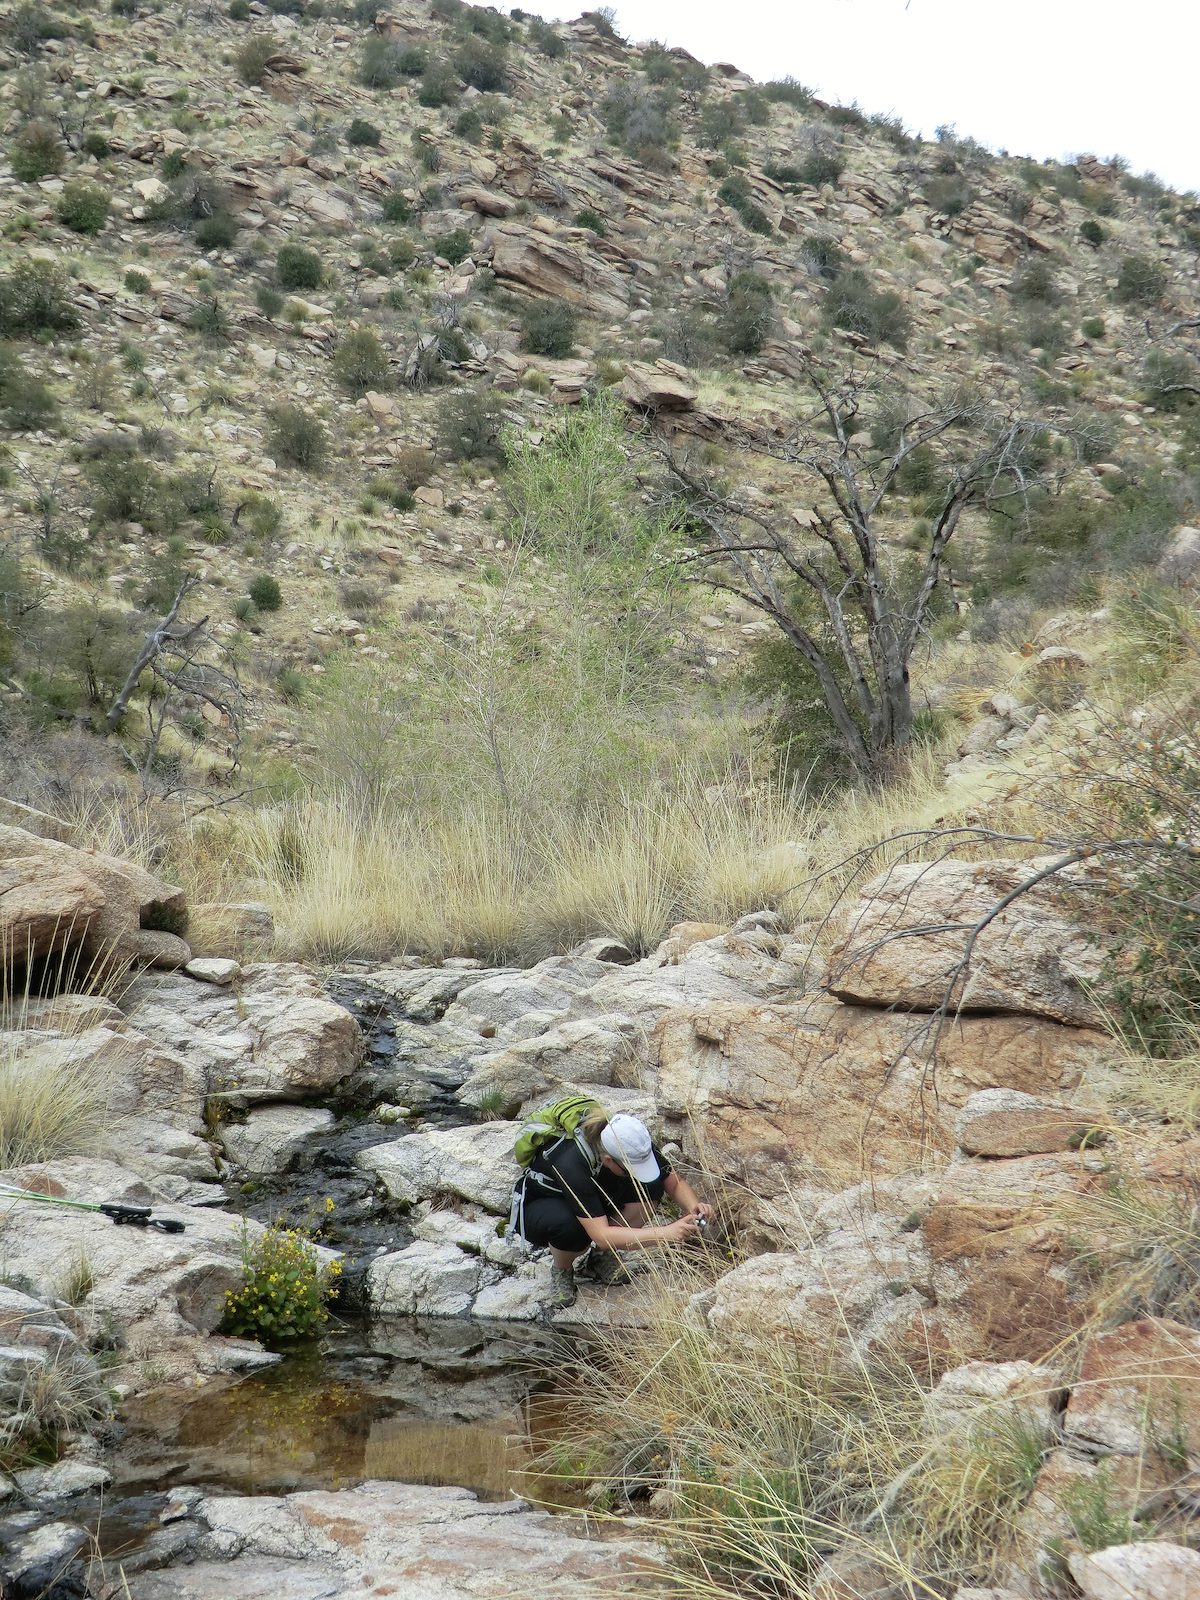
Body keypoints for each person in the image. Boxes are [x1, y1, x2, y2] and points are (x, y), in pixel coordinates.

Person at [516, 1110, 714, 1308]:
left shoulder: (630, 1140)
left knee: (651, 1187)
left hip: (590, 1190)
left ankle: (599, 1258)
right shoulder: (570, 1161)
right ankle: (562, 1269)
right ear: (607, 1159)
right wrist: (666, 1233)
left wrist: (693, 1207)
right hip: (543, 1203)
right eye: (631, 1168)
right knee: (572, 1229)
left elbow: (674, 1183)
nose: (636, 1172)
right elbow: (600, 1235)